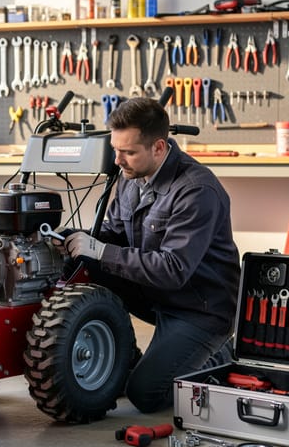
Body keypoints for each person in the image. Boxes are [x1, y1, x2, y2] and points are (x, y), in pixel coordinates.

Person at [62, 97, 242, 413]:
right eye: (116, 149)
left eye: (128, 152)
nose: (118, 160)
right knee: (89, 262)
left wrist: (102, 251)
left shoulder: (196, 191)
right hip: (158, 297)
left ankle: (220, 356)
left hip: (199, 309)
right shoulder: (133, 179)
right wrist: (71, 239)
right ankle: (128, 356)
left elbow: (173, 269)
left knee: (146, 393)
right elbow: (114, 234)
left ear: (158, 148)